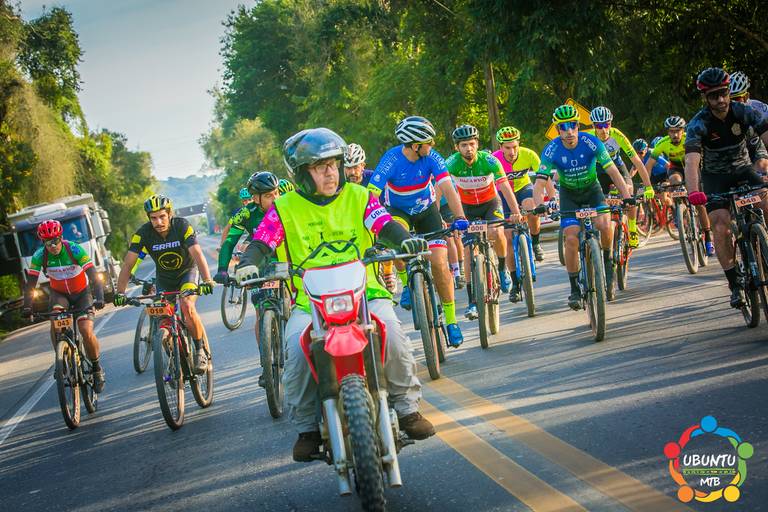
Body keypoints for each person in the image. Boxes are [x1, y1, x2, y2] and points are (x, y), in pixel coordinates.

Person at [235, 127, 436, 461]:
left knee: (393, 334)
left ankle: (407, 409)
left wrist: (405, 240)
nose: (330, 173)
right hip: (309, 302)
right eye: (319, 167)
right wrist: (247, 264)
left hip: (366, 292)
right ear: (302, 174)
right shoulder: (284, 207)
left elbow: (384, 224)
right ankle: (307, 428)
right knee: (295, 349)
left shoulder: (360, 196)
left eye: (333, 164)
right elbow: (262, 241)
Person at [367, 115, 469, 347]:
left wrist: (460, 217)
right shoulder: (391, 159)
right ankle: (406, 283)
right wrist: (371, 226)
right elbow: (372, 194)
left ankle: (451, 321)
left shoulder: (432, 157)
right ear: (415, 146)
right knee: (398, 241)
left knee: (439, 263)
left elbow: (448, 188)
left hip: (426, 211)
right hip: (398, 211)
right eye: (428, 142)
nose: (432, 145)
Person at [533, 105, 634, 309]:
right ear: (557, 129)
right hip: (569, 195)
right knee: (571, 238)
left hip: (592, 190)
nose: (569, 131)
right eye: (564, 127)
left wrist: (627, 196)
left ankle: (607, 262)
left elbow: (613, 171)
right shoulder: (551, 149)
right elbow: (540, 182)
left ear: (578, 126)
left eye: (573, 125)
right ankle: (574, 289)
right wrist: (539, 205)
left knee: (604, 225)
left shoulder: (591, 142)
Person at [685, 67, 768, 308]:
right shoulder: (698, 124)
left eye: (723, 93)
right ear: (705, 97)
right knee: (720, 226)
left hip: (744, 170)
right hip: (715, 178)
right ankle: (735, 283)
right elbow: (692, 161)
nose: (720, 99)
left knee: (766, 202)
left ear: (729, 91)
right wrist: (693, 191)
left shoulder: (744, 112)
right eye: (713, 96)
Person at [113, 194, 215, 374]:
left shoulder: (182, 226)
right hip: (165, 279)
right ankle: (175, 358)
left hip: (187, 273)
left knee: (187, 305)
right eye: (153, 218)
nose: (158, 222)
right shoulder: (143, 233)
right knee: (162, 317)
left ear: (169, 214)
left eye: (162, 216)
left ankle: (200, 350)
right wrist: (120, 292)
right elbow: (128, 264)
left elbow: (198, 254)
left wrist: (207, 280)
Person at [445, 124, 522, 318]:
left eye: (471, 144)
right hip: (467, 208)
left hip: (490, 204)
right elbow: (439, 189)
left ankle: (503, 269)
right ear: (456, 147)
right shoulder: (451, 163)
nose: (468, 149)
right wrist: (439, 216)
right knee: (469, 250)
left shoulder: (489, 161)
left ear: (477, 144)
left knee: (496, 232)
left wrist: (515, 212)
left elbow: (504, 187)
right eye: (464, 145)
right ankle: (472, 301)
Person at [22, 220, 106, 392]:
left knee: (85, 330)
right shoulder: (39, 256)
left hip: (82, 294)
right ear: (43, 242)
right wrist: (27, 307)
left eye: (55, 241)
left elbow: (94, 276)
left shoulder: (74, 249)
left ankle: (97, 369)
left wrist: (99, 297)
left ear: (61, 237)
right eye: (48, 243)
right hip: (60, 295)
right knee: (56, 321)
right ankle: (60, 361)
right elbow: (30, 285)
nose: (52, 246)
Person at [214, 171, 282, 384]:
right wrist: (223, 269)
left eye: (276, 193)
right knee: (261, 312)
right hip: (258, 264)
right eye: (269, 196)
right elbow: (229, 241)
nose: (275, 199)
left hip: (284, 262)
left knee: (294, 305)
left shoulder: (285, 206)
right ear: (255, 198)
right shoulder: (245, 213)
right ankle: (266, 362)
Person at [492, 126, 556, 302]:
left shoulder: (529, 154)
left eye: (515, 147)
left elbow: (545, 178)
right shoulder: (494, 159)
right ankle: (515, 284)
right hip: (503, 194)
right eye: (507, 148)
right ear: (500, 147)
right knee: (507, 236)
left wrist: (552, 199)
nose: (512, 152)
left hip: (523, 188)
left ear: (519, 144)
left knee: (531, 206)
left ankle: (535, 243)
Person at [585, 106, 654, 249]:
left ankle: (633, 229)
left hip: (617, 166)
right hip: (598, 169)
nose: (604, 129)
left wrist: (648, 186)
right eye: (599, 126)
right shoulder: (588, 137)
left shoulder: (618, 135)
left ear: (611, 123)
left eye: (607, 124)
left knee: (628, 191)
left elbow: (637, 162)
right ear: (593, 126)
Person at [645, 115, 714, 255]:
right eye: (671, 131)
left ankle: (707, 238)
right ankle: (682, 207)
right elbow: (649, 165)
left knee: (700, 204)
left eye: (678, 131)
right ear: (668, 132)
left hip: (692, 165)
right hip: (676, 167)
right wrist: (647, 185)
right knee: (675, 180)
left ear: (683, 130)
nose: (675, 134)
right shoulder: (662, 143)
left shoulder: (690, 138)